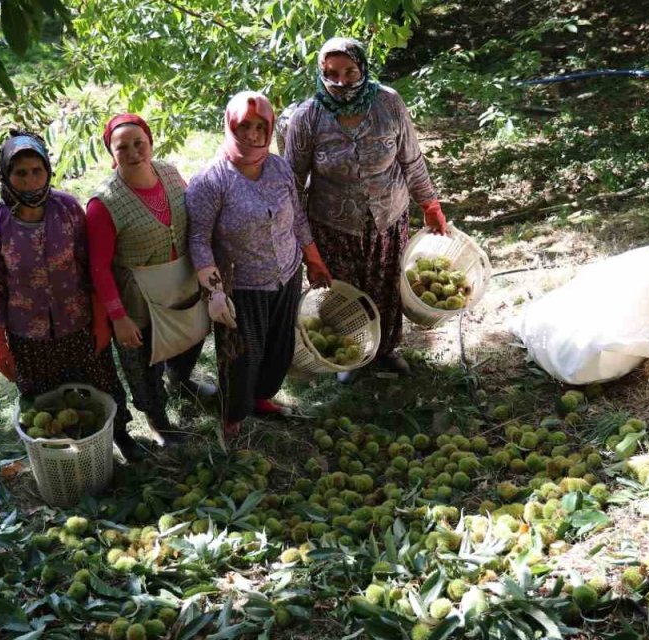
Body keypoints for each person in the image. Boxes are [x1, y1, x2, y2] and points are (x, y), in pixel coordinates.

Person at [282, 37, 448, 380]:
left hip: (388, 215)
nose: (342, 82)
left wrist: (429, 203)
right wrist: (305, 245)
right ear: (321, 73)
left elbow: (411, 160)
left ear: (363, 68)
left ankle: (384, 351)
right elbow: (293, 186)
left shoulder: (388, 103)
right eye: (332, 74)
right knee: (343, 289)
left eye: (350, 71)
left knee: (386, 285)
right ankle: (351, 354)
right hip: (333, 223)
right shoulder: (308, 117)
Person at [0, 131, 140, 457]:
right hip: (28, 333)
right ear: (6, 176)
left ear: (48, 171)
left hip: (77, 321)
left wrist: (100, 322)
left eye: (37, 171)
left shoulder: (66, 210)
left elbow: (90, 266)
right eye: (20, 173)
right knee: (44, 401)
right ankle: (59, 454)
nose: (30, 181)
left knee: (103, 385)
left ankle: (120, 434)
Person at [186, 91, 332, 439]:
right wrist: (215, 293)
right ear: (230, 126)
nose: (252, 134)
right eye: (244, 126)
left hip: (286, 274)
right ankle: (233, 415)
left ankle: (262, 397)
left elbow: (296, 218)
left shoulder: (278, 167)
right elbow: (198, 241)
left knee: (278, 349)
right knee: (241, 358)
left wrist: (314, 260)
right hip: (243, 286)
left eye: (260, 126)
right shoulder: (212, 180)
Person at [87, 114, 214, 444]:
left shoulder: (170, 173)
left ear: (151, 141)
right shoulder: (105, 203)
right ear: (111, 153)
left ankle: (181, 380)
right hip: (138, 294)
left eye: (138, 143)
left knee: (192, 333)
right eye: (122, 147)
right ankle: (158, 421)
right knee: (143, 364)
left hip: (181, 279)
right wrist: (119, 317)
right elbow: (98, 268)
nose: (133, 152)